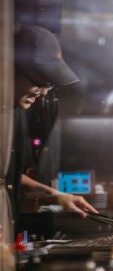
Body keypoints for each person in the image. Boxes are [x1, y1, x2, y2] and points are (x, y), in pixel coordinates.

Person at [6, 24, 98, 227]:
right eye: (41, 83)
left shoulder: (16, 113)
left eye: (49, 85)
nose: (44, 93)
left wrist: (56, 196)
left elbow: (9, 176)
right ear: (8, 69)